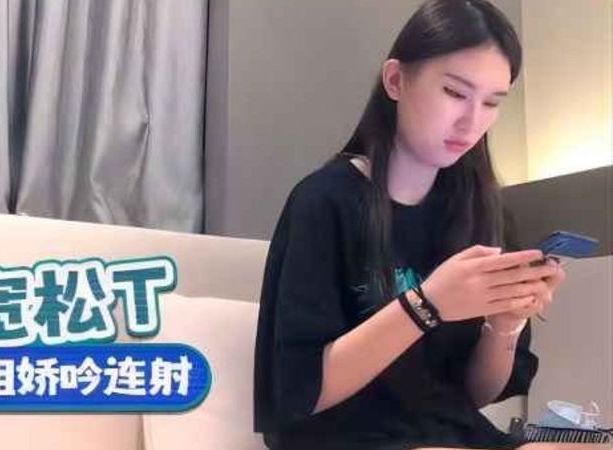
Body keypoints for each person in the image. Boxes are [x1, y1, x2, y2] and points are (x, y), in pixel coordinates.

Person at [251, 1, 600, 449]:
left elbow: (474, 396)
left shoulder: (483, 211)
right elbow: (301, 392)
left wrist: (505, 324)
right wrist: (427, 304)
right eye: (454, 93)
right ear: (396, 80)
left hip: (450, 437)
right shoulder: (323, 201)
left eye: (492, 102)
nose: (472, 122)